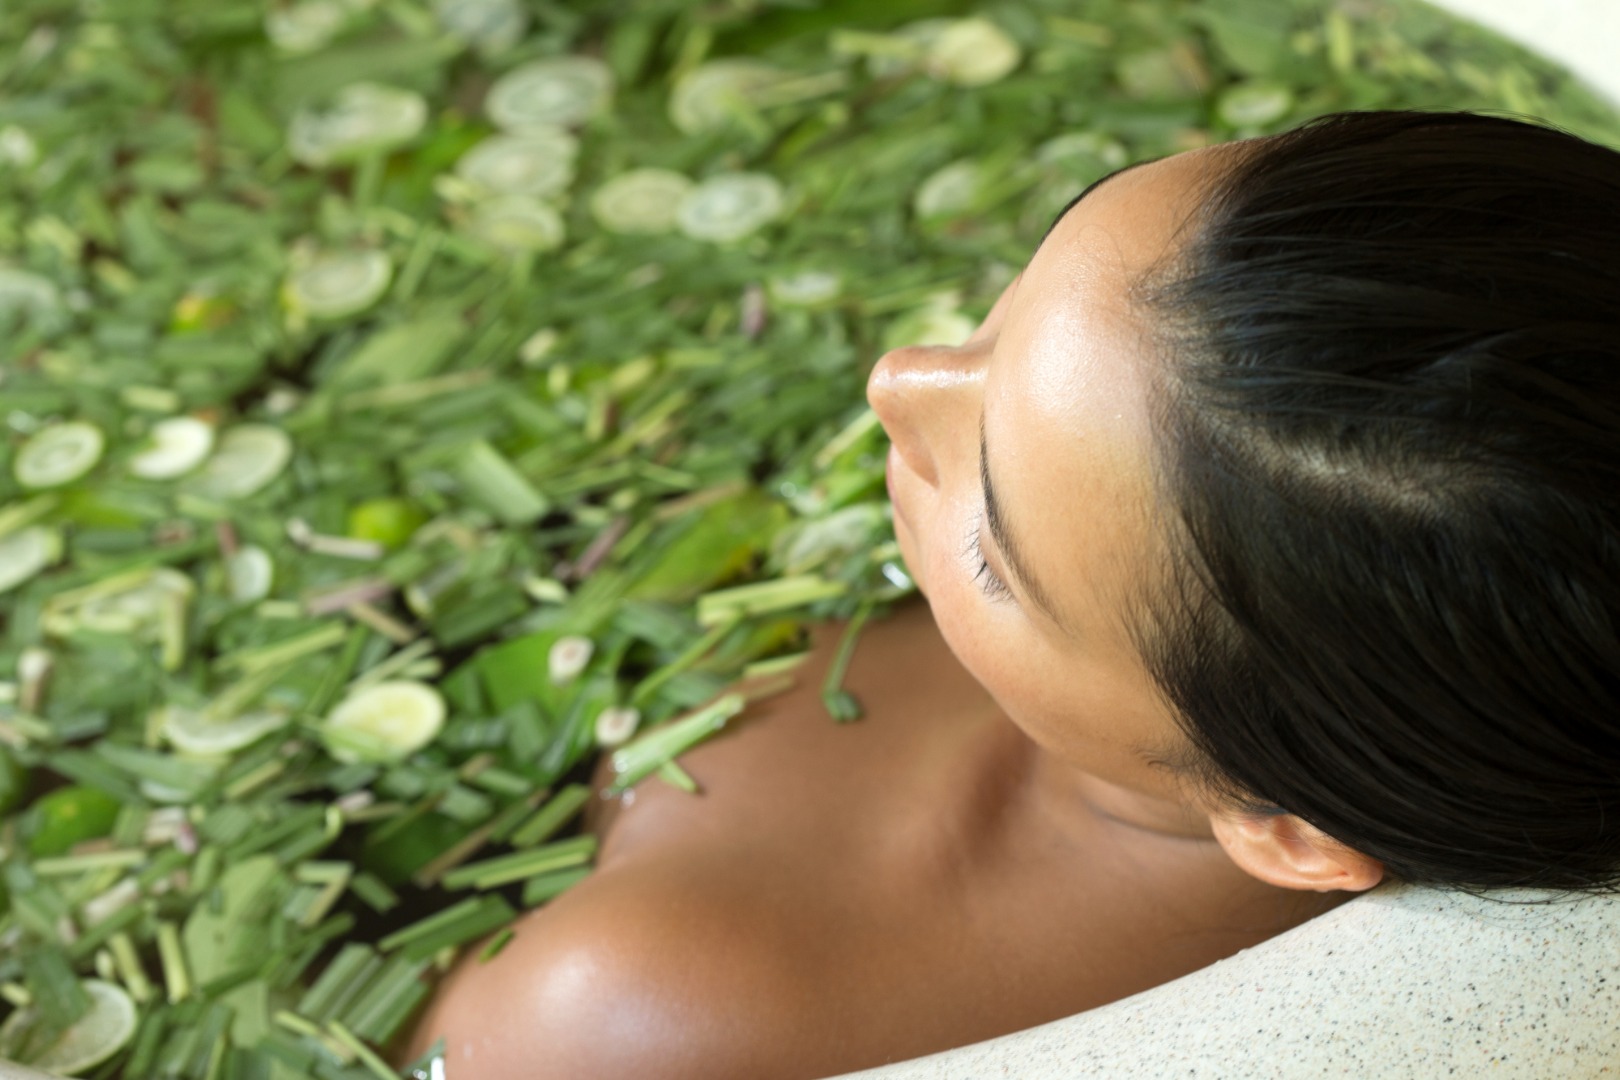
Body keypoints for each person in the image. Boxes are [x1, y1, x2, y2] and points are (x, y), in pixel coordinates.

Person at [392, 109, 1620, 1079]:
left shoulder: (633, 1006)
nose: (897, 381)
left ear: (1287, 830)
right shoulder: (1294, 621)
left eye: (996, 552)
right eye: (1019, 298)